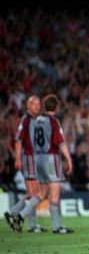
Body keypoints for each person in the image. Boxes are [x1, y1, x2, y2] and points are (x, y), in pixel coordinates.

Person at [12, 94, 74, 234]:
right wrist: (69, 159)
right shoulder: (53, 122)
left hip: (37, 158)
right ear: (56, 107)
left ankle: (21, 215)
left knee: (42, 193)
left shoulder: (35, 120)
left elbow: (28, 140)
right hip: (51, 158)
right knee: (55, 194)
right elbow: (61, 143)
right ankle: (57, 226)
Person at [4, 95, 47, 233]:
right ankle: (26, 221)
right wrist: (17, 158)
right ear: (29, 106)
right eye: (34, 104)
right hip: (29, 158)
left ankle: (13, 213)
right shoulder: (26, 120)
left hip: (33, 158)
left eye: (39, 104)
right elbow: (18, 141)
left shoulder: (34, 120)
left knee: (32, 193)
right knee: (38, 192)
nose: (37, 106)